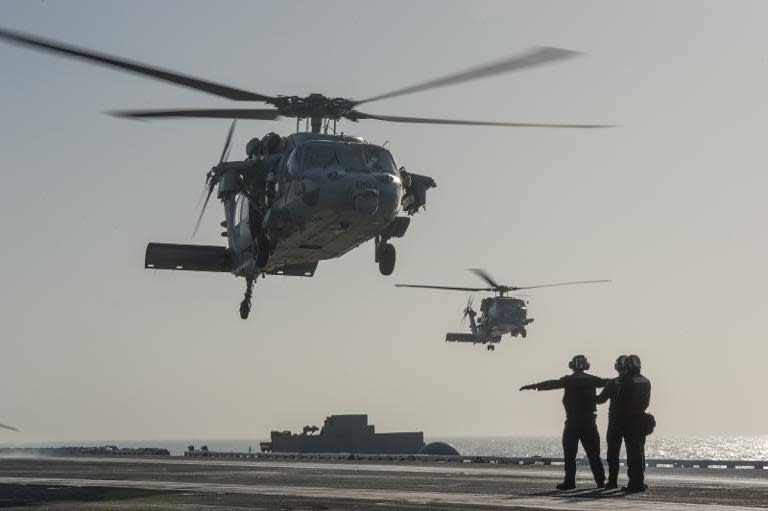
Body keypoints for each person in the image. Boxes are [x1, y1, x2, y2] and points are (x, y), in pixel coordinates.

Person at [520, 355, 608, 490]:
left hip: (573, 422)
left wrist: (533, 386)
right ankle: (600, 482)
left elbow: (551, 384)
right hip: (589, 422)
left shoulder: (569, 380)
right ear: (586, 365)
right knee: (593, 454)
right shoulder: (592, 380)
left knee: (570, 454)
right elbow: (610, 382)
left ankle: (569, 482)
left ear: (572, 365)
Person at [616, 354, 651, 493]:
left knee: (632, 454)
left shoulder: (626, 381)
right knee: (640, 451)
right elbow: (646, 402)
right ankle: (640, 481)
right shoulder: (646, 381)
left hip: (629, 421)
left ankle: (635, 483)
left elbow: (622, 403)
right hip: (642, 420)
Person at [595, 355, 627, 489]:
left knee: (613, 453)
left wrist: (584, 395)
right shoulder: (637, 381)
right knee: (635, 452)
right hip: (633, 421)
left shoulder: (613, 383)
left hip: (615, 421)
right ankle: (636, 481)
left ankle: (612, 481)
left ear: (617, 367)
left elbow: (600, 399)